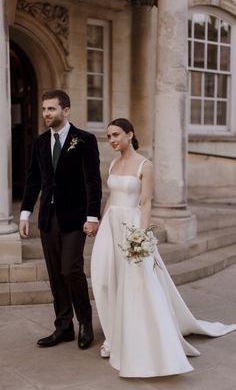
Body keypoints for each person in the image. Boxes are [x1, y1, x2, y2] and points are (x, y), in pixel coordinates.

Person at [91, 117, 236, 378]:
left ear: (130, 134)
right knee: (105, 280)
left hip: (131, 227)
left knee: (137, 283)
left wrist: (141, 237)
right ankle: (114, 334)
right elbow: (112, 196)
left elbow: (145, 203)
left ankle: (145, 343)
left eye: (115, 135)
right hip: (110, 227)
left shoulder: (145, 165)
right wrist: (101, 224)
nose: (111, 140)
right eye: (108, 136)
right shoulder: (113, 163)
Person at [19, 90, 102, 350]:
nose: (46, 114)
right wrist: (25, 213)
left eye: (51, 109)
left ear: (66, 110)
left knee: (71, 269)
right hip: (48, 218)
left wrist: (92, 216)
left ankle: (85, 323)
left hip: (76, 217)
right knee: (56, 273)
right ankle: (63, 326)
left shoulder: (85, 140)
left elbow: (92, 180)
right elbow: (34, 179)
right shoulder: (40, 143)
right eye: (44, 109)